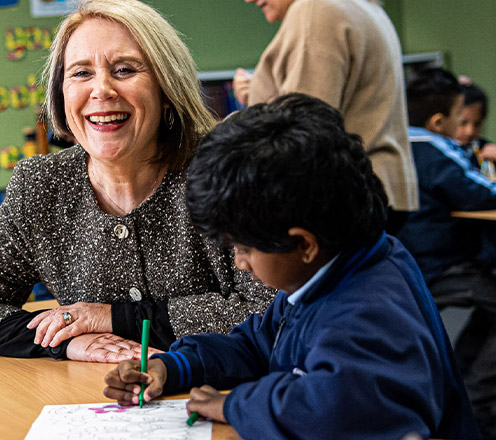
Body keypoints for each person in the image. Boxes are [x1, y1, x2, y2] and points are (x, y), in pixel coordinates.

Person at [104, 93, 481, 439]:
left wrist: (233, 405)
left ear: (303, 244)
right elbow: (256, 346)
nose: (240, 263)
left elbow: (332, 410)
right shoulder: (328, 272)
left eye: (244, 249)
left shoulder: (370, 309)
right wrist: (173, 367)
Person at [0, 0, 273, 362]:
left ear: (166, 87)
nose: (102, 90)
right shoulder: (42, 186)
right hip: (97, 403)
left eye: (124, 69)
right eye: (81, 73)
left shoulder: (230, 167)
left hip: (229, 397)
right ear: (60, 95)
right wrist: (65, 341)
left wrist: (112, 318)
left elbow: (273, 310)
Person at [233, 0, 418, 231]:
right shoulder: (358, 6)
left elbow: (299, 130)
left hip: (340, 200)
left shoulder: (314, 10)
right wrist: (257, 92)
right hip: (376, 191)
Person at [397, 67, 496, 438]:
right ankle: (480, 400)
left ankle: (472, 387)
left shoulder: (397, 143)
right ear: (439, 120)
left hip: (416, 264)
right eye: (459, 117)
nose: (463, 128)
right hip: (444, 267)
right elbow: (481, 192)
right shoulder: (432, 147)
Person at [456, 78, 496, 168]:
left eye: (477, 124)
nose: (470, 131)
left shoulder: (487, 151)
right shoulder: (440, 153)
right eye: (462, 123)